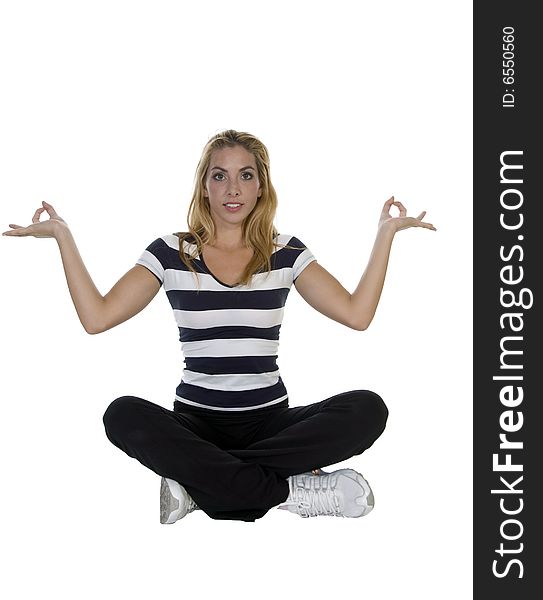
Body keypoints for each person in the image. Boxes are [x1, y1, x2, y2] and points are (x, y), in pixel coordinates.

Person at [2, 129, 436, 523]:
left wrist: (385, 235)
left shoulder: (284, 252)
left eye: (246, 175)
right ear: (204, 186)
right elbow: (96, 318)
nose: (233, 189)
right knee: (122, 415)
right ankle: (287, 491)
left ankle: (201, 484)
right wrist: (63, 236)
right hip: (196, 423)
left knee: (367, 408)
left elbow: (356, 315)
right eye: (219, 176)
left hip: (271, 421)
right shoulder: (172, 252)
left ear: (261, 186)